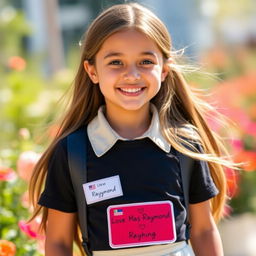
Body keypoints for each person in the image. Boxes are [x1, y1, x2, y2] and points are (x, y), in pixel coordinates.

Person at [29, 3, 234, 256]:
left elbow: (204, 231)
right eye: (116, 62)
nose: (132, 75)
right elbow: (58, 241)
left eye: (146, 61)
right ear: (92, 70)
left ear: (164, 70)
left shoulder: (185, 145)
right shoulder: (73, 153)